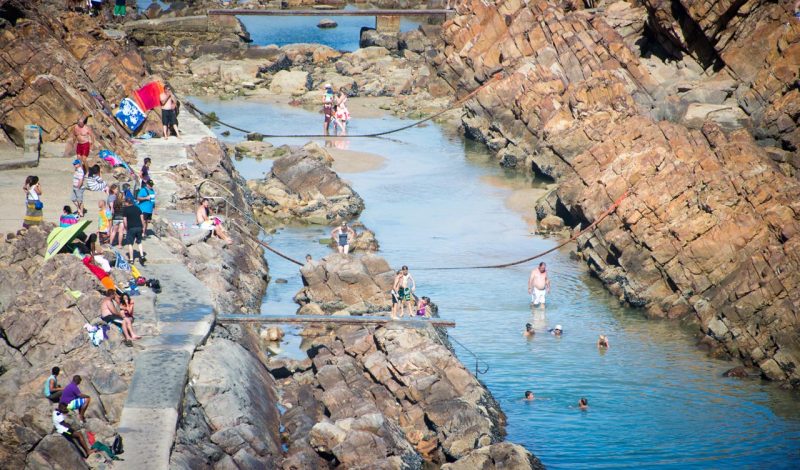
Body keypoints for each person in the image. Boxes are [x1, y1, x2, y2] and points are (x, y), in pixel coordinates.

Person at [122, 197, 146, 264]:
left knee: (130, 243)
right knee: (139, 242)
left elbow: (125, 220)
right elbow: (142, 218)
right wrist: (143, 227)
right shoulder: (137, 208)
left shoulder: (125, 209)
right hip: (139, 227)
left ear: (127, 202)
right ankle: (142, 255)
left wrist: (126, 228)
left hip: (131, 228)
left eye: (125, 202)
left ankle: (131, 259)